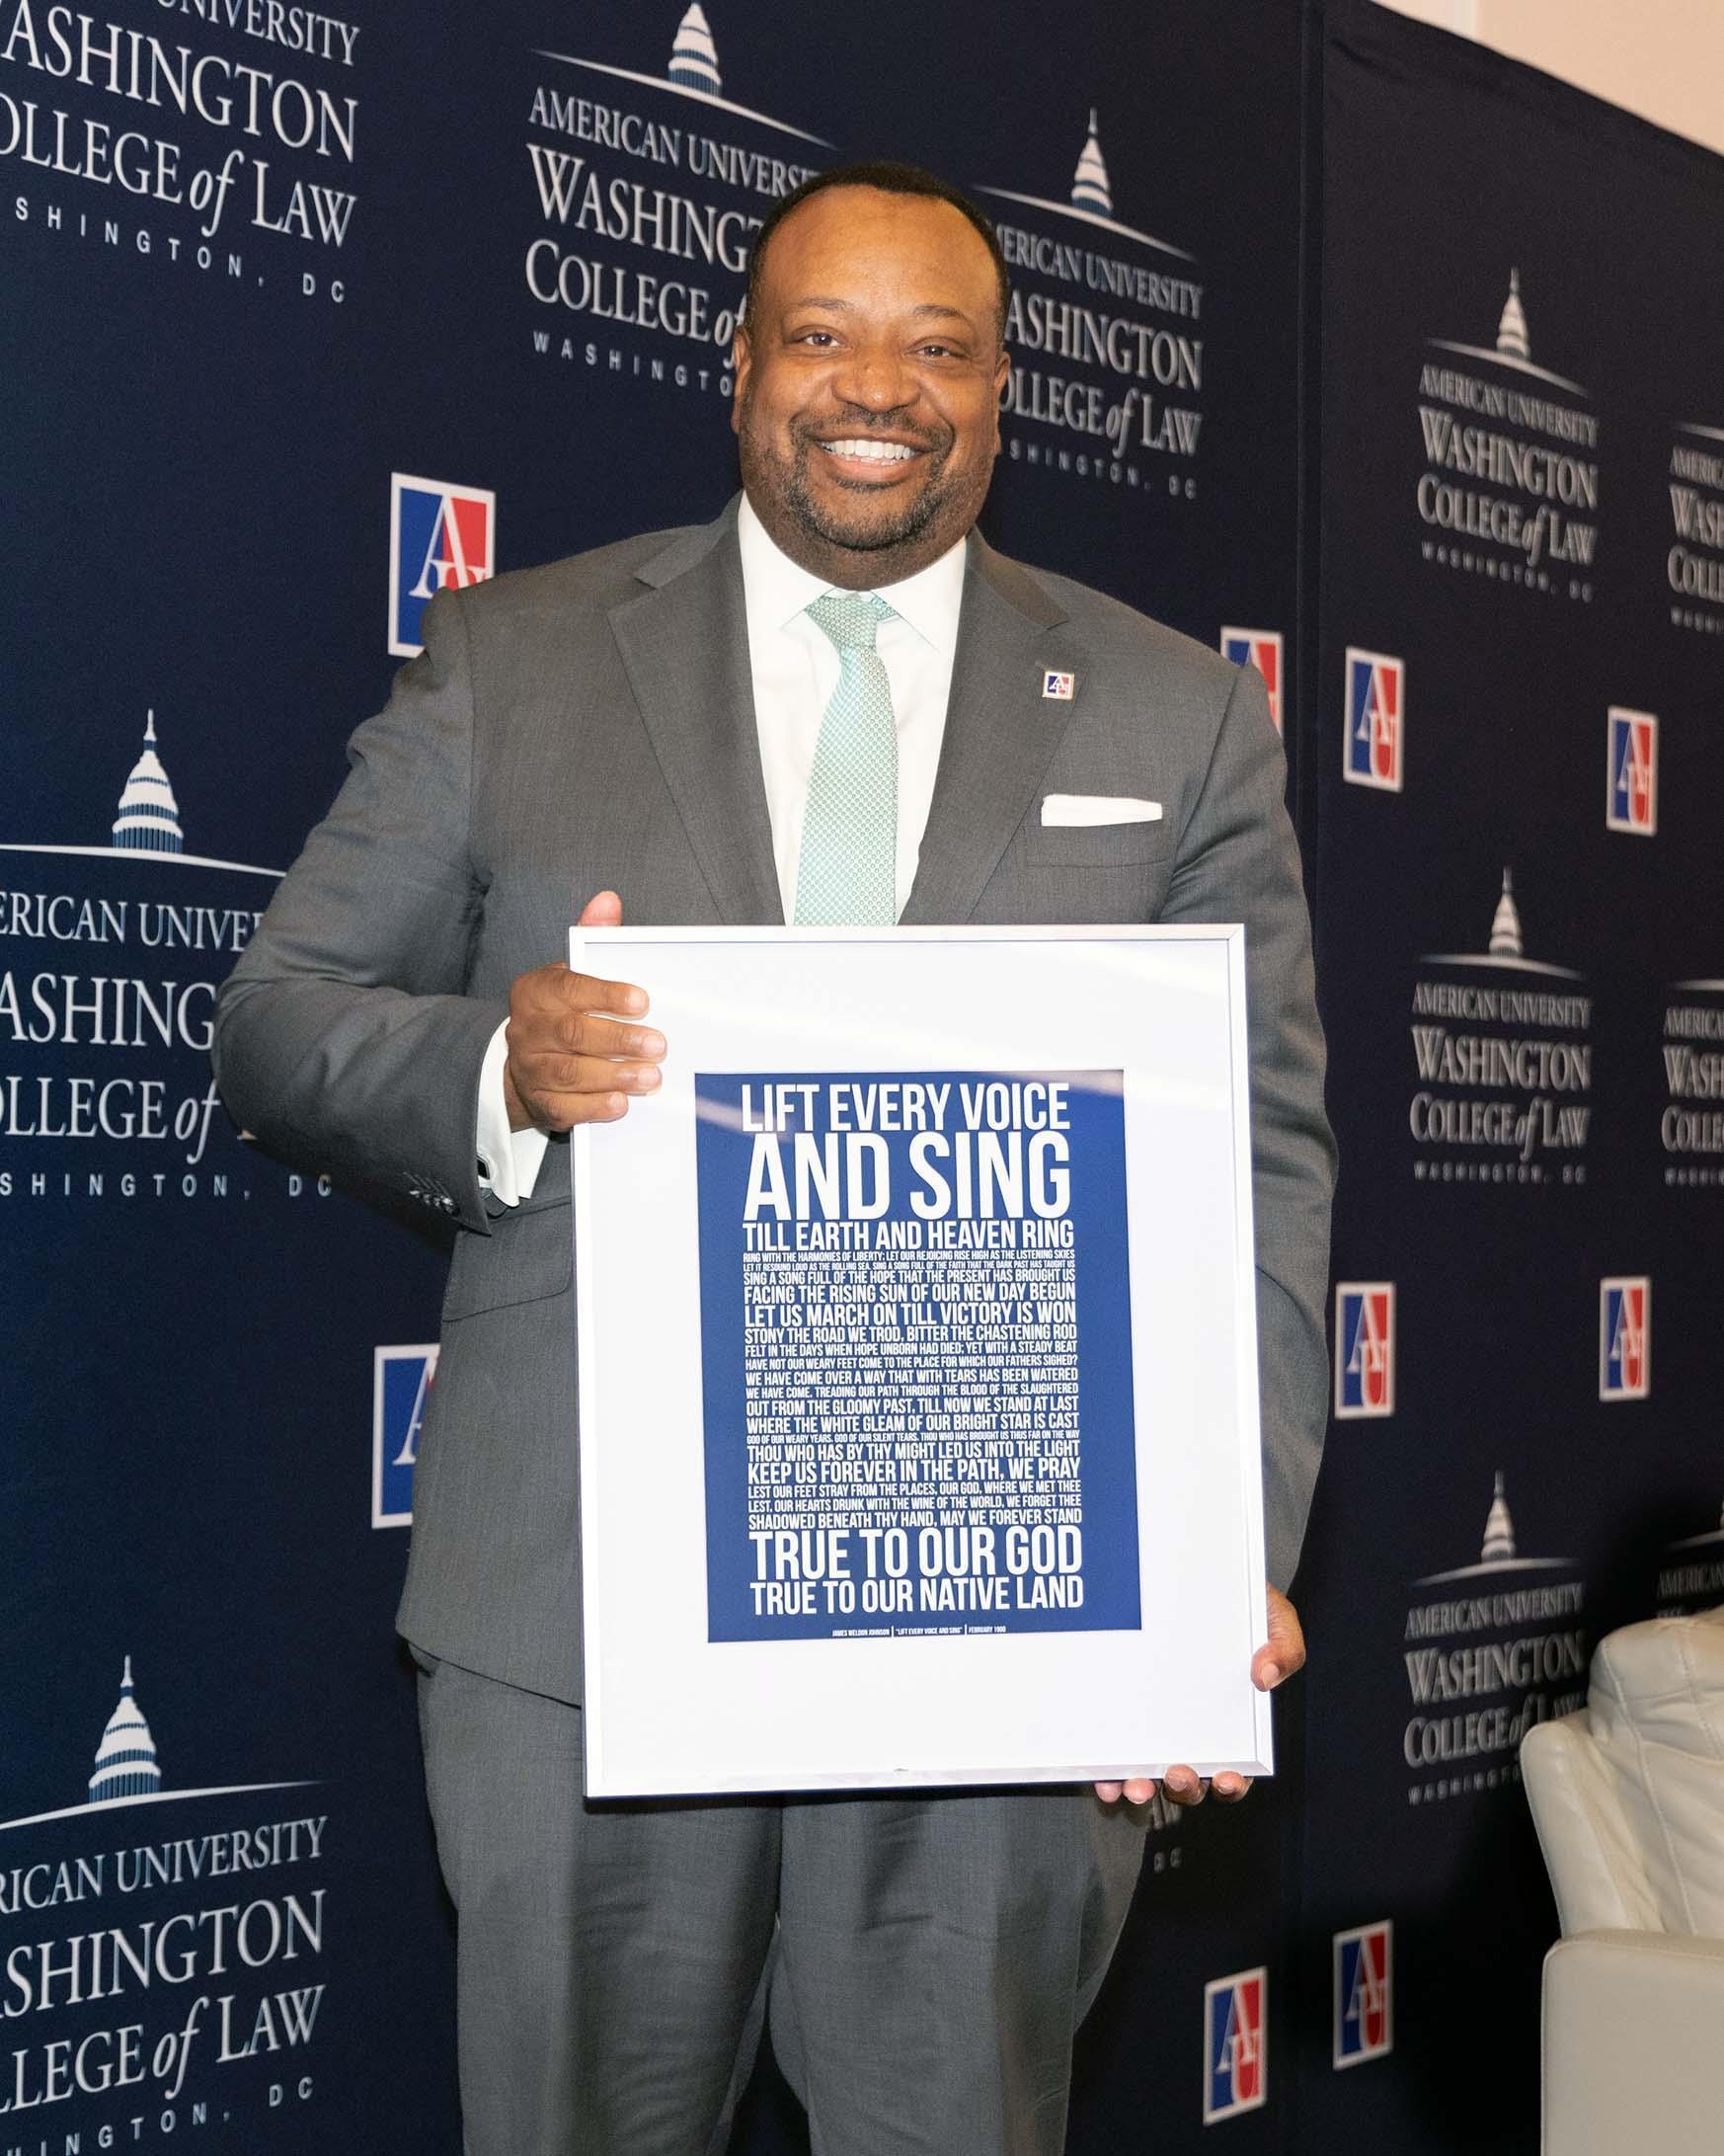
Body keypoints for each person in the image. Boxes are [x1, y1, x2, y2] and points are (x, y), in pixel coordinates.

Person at [214, 161, 1333, 2156]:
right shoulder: (513, 658)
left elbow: (1253, 1164)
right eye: (820, 335)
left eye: (936, 345)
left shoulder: (1183, 715)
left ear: (1003, 393)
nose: (872, 387)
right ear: (739, 368)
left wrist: (1206, 1583)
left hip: (1010, 1637)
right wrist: (499, 1060)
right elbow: (280, 1021)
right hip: (582, 1628)